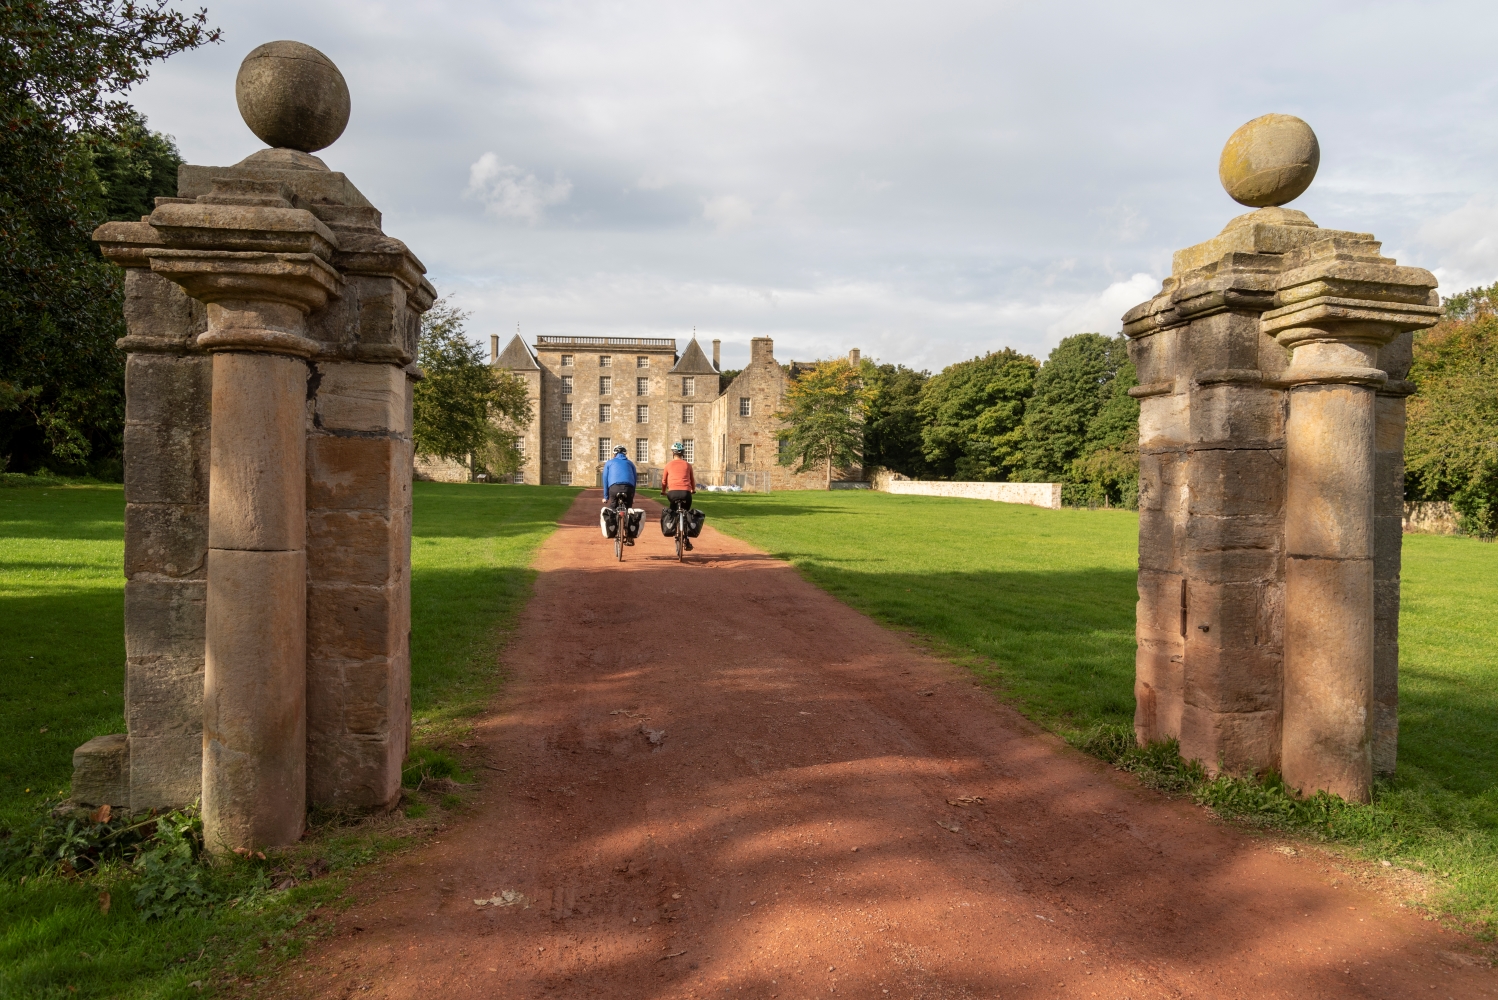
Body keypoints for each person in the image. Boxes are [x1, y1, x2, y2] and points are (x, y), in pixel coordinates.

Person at [660, 441, 697, 551]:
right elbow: (692, 480)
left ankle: (674, 525)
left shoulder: (668, 465)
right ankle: (687, 538)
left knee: (673, 511)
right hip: (686, 493)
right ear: (683, 453)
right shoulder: (687, 465)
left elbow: (664, 481)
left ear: (673, 453)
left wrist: (663, 491)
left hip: (673, 493)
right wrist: (693, 490)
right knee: (686, 513)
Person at [602, 444, 638, 545]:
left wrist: (606, 497)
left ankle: (612, 530)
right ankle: (630, 536)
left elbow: (605, 480)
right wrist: (632, 496)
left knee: (613, 508)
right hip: (629, 489)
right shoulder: (630, 463)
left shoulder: (609, 463)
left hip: (614, 488)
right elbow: (634, 480)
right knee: (628, 509)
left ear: (614, 454)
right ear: (625, 454)